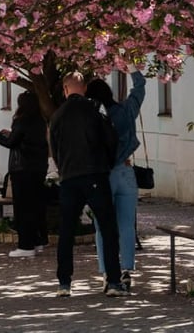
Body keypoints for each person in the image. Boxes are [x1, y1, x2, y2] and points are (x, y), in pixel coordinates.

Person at [49, 72, 124, 297]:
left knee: (66, 230)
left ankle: (64, 283)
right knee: (108, 227)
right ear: (84, 87)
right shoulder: (95, 107)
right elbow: (111, 138)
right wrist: (106, 163)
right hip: (95, 173)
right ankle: (113, 281)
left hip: (70, 177)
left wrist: (63, 171)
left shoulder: (57, 115)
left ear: (65, 89)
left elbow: (54, 147)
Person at [85, 72, 147, 290]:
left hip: (103, 174)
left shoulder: (93, 117)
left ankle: (105, 271)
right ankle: (127, 269)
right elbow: (139, 89)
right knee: (127, 225)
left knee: (102, 225)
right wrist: (133, 70)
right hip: (126, 172)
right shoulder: (125, 111)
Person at [0, 90, 50, 258]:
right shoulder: (40, 121)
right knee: (35, 206)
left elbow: (11, 143)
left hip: (22, 169)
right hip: (38, 169)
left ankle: (26, 245)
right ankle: (37, 241)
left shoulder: (21, 120)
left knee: (23, 208)